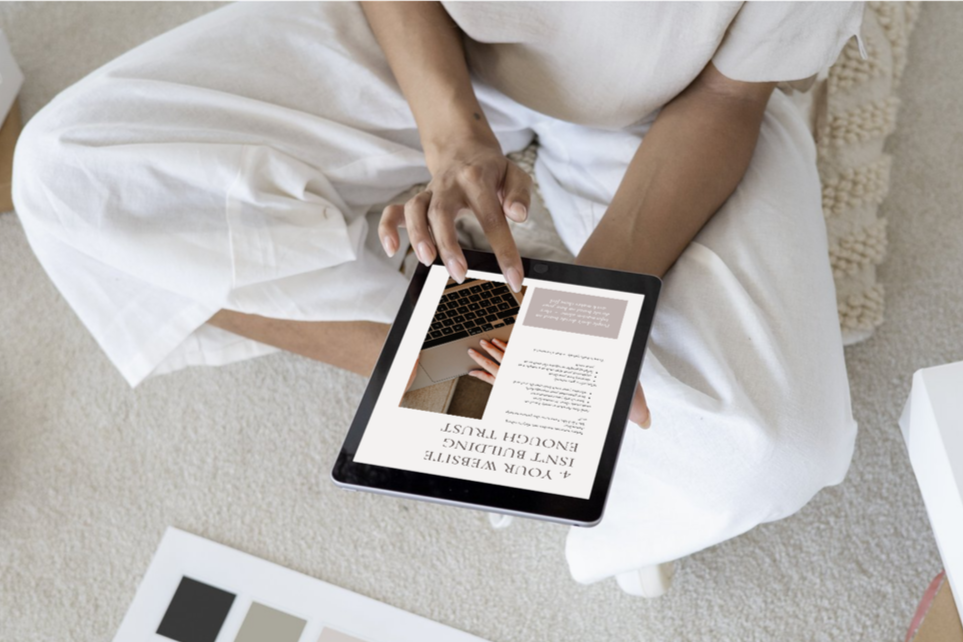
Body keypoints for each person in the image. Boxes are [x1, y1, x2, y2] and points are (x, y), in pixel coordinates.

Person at [12, 0, 865, 595]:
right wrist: (452, 138)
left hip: (667, 107)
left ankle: (482, 383)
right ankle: (440, 369)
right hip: (435, 42)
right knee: (63, 173)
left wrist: (587, 312)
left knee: (768, 451)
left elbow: (724, 97)